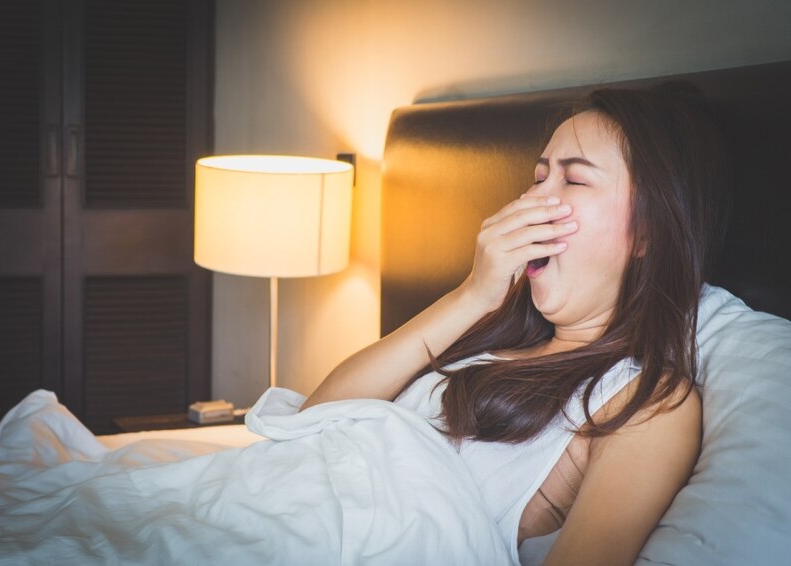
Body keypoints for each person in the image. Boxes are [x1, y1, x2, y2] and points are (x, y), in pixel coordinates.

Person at [301, 82, 731, 565]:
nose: (530, 202)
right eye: (538, 176)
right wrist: (473, 295)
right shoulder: (487, 337)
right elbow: (312, 420)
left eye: (574, 180)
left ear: (647, 232)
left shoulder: (646, 403)